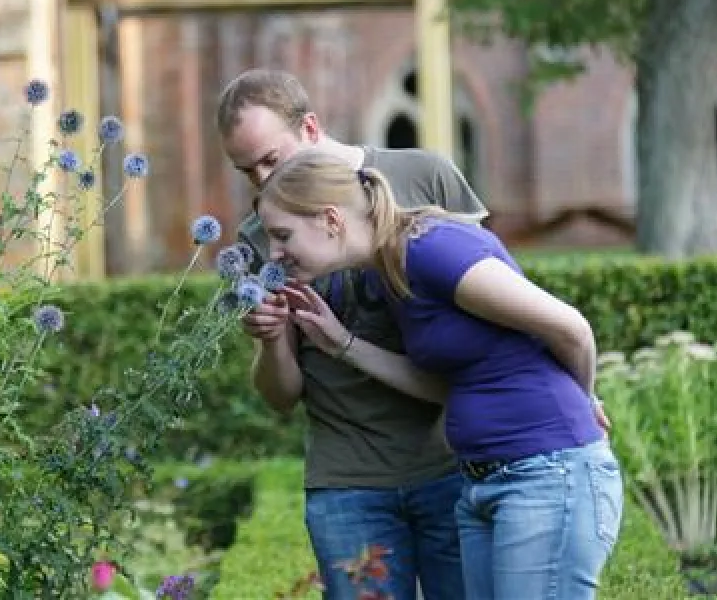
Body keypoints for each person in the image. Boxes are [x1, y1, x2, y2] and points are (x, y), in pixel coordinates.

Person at [254, 149, 624, 600]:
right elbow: (444, 387)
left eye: (282, 235)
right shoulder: (385, 270)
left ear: (330, 219)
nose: (274, 253)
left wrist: (584, 404)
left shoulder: (431, 247)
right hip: (483, 483)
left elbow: (571, 329)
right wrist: (342, 344)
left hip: (546, 475)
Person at [215, 69, 487, 599]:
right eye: (247, 170)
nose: (263, 179)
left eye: (273, 158)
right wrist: (271, 339)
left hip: (452, 460)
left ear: (311, 127)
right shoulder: (258, 240)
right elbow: (280, 396)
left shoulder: (423, 176)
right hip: (347, 485)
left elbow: (499, 306)